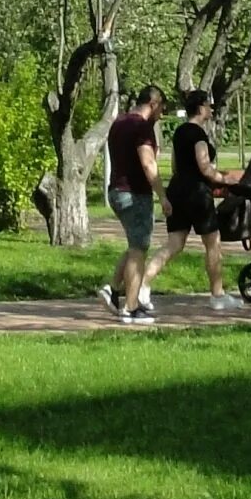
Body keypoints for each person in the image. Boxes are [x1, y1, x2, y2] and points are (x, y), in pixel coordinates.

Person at [145, 90, 242, 311]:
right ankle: (217, 296)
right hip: (197, 194)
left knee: (174, 244)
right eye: (209, 105)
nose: (211, 109)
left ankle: (142, 285)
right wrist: (226, 180)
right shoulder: (198, 134)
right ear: (200, 108)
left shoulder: (179, 132)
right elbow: (205, 167)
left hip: (177, 190)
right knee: (212, 243)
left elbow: (175, 166)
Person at [100, 86, 167, 322]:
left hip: (116, 191)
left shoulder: (118, 123)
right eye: (161, 109)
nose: (161, 114)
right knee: (139, 249)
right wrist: (163, 196)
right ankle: (130, 307)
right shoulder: (142, 127)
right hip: (134, 193)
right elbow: (148, 164)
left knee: (134, 245)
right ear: (153, 103)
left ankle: (112, 288)